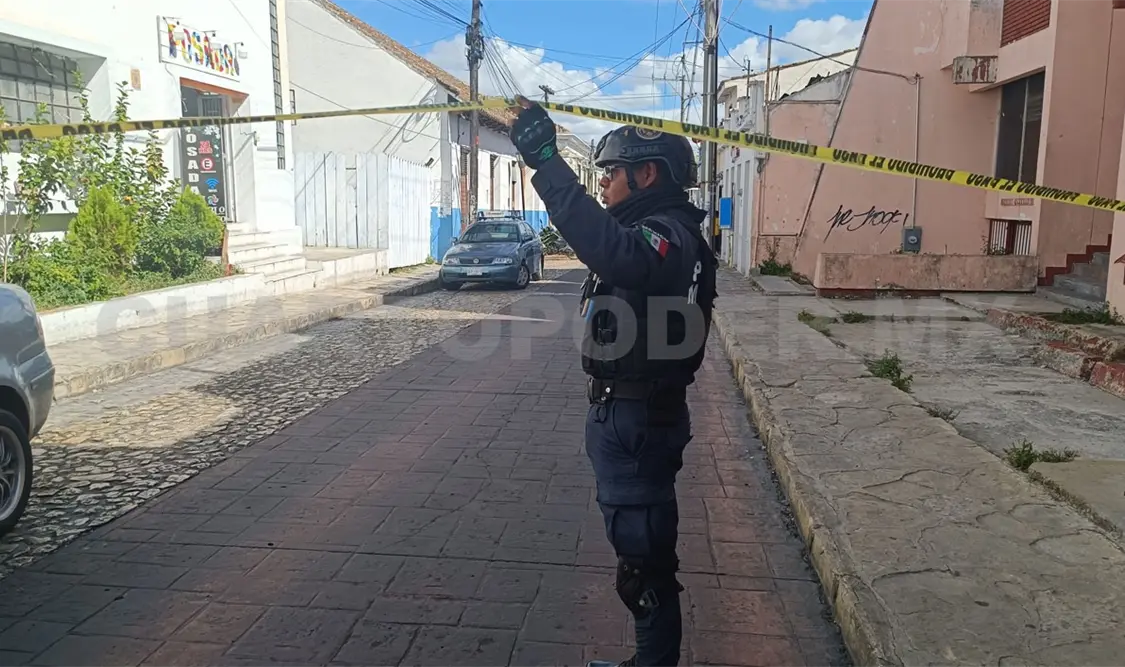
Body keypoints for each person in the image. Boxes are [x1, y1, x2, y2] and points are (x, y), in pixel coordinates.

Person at [509, 97, 718, 667]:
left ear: (647, 174)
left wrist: (548, 165)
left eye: (610, 174)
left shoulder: (668, 235)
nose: (602, 185)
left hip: (637, 420)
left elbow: (620, 253)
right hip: (634, 417)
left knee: (642, 568)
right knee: (642, 557)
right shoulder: (663, 231)